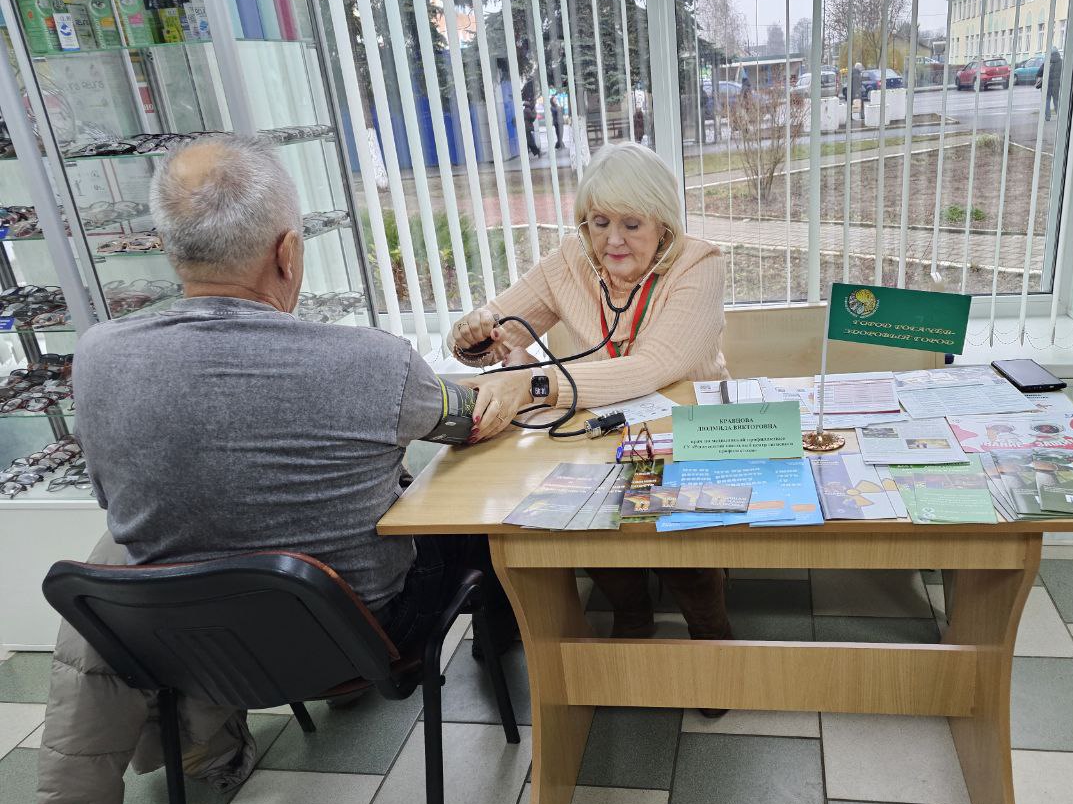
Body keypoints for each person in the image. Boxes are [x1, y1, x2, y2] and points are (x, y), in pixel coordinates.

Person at [74, 134, 498, 652]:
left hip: (187, 645)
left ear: (170, 248)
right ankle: (498, 650)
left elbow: (111, 498)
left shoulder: (96, 357)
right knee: (476, 512)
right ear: (288, 252)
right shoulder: (374, 361)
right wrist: (511, 386)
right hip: (363, 638)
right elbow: (471, 420)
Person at [447, 143, 734, 702]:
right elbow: (502, 328)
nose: (612, 241)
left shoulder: (700, 264)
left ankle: (711, 633)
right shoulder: (571, 261)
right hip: (605, 428)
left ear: (664, 223)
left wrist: (537, 384)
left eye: (632, 224)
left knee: (682, 546)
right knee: (588, 522)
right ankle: (631, 614)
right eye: (599, 223)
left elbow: (654, 366)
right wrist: (473, 337)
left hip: (692, 430)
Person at [1036, 46, 1063, 120]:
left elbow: (1039, 73)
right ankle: (1059, 117)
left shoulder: (1047, 62)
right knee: (1056, 101)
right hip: (1057, 86)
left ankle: (1047, 116)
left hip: (1046, 86)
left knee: (1047, 101)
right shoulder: (1062, 62)